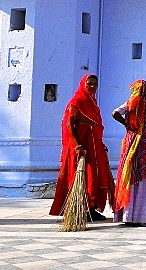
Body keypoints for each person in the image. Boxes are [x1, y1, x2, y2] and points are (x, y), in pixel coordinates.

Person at [50, 74, 113, 221]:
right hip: (81, 146)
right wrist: (77, 145)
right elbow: (69, 125)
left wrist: (100, 144)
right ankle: (80, 208)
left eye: (94, 84)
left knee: (94, 177)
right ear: (83, 84)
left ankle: (91, 208)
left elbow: (96, 126)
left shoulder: (93, 103)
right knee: (82, 176)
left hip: (93, 146)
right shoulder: (76, 102)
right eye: (89, 83)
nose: (92, 86)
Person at [112, 79, 146, 225]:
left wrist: (128, 125)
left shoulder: (132, 102)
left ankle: (129, 216)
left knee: (131, 177)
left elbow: (115, 113)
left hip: (133, 146)